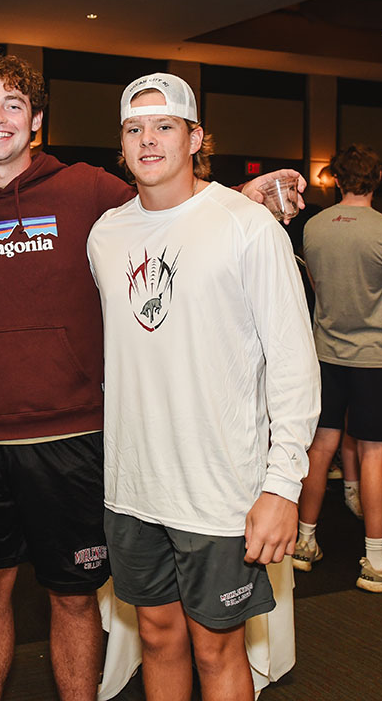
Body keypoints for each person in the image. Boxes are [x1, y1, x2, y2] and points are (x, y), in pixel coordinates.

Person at [0, 55, 305, 701]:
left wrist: (244, 198)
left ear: (37, 120)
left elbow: (178, 210)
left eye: (14, 105)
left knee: (85, 603)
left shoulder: (88, 192)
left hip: (78, 442)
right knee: (2, 599)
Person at [87, 73, 319, 701]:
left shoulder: (248, 227)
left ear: (196, 138)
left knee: (218, 648)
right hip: (133, 486)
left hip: (221, 491)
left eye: (165, 126)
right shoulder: (105, 235)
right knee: (158, 637)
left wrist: (281, 486)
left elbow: (295, 367)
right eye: (134, 128)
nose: (148, 140)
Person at [297, 143, 382, 591]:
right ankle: (375, 561)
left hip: (325, 354)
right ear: (376, 179)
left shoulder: (312, 226)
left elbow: (318, 286)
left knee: (319, 448)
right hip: (373, 359)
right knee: (373, 454)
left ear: (336, 179)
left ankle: (303, 543)